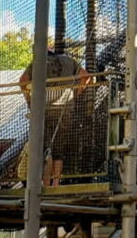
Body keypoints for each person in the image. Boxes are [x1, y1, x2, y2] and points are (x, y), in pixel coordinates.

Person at [18, 49, 91, 186]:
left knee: (45, 146)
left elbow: (23, 81)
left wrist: (29, 100)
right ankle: (56, 182)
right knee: (59, 147)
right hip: (64, 108)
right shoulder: (70, 61)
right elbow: (86, 76)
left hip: (43, 109)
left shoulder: (38, 63)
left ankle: (46, 183)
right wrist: (75, 93)